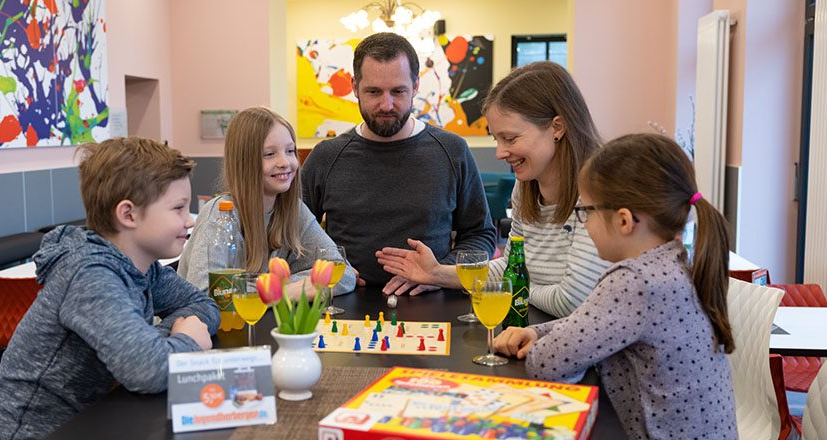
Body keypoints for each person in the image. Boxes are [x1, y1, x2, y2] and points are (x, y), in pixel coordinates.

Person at [494, 133, 737, 438]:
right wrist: (538, 331)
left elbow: (547, 363)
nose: (584, 223)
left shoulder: (635, 282)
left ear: (624, 221)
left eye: (586, 211)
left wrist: (542, 342)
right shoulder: (672, 263)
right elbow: (592, 325)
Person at [0, 138, 220, 439]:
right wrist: (185, 339)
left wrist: (153, 343)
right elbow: (149, 370)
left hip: (99, 421)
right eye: (178, 208)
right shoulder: (89, 274)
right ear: (128, 215)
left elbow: (204, 306)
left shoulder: (142, 268)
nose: (189, 220)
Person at [376, 61, 609, 317]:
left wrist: (510, 287)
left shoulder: (598, 192)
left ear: (557, 127)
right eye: (496, 139)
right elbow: (510, 267)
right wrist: (437, 273)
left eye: (510, 138)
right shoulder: (524, 188)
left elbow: (571, 301)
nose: (499, 153)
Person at [301, 32, 496, 296]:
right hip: (343, 304)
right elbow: (293, 233)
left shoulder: (452, 150)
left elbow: (480, 234)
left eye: (398, 91)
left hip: (433, 303)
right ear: (354, 86)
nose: (386, 104)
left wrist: (437, 273)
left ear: (416, 86)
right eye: (373, 92)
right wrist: (331, 271)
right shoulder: (326, 156)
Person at [179, 107, 356, 297]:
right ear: (244, 162)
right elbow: (209, 293)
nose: (285, 162)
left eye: (290, 151)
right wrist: (286, 289)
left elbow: (343, 274)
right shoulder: (220, 215)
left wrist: (275, 291)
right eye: (270, 154)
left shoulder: (294, 210)